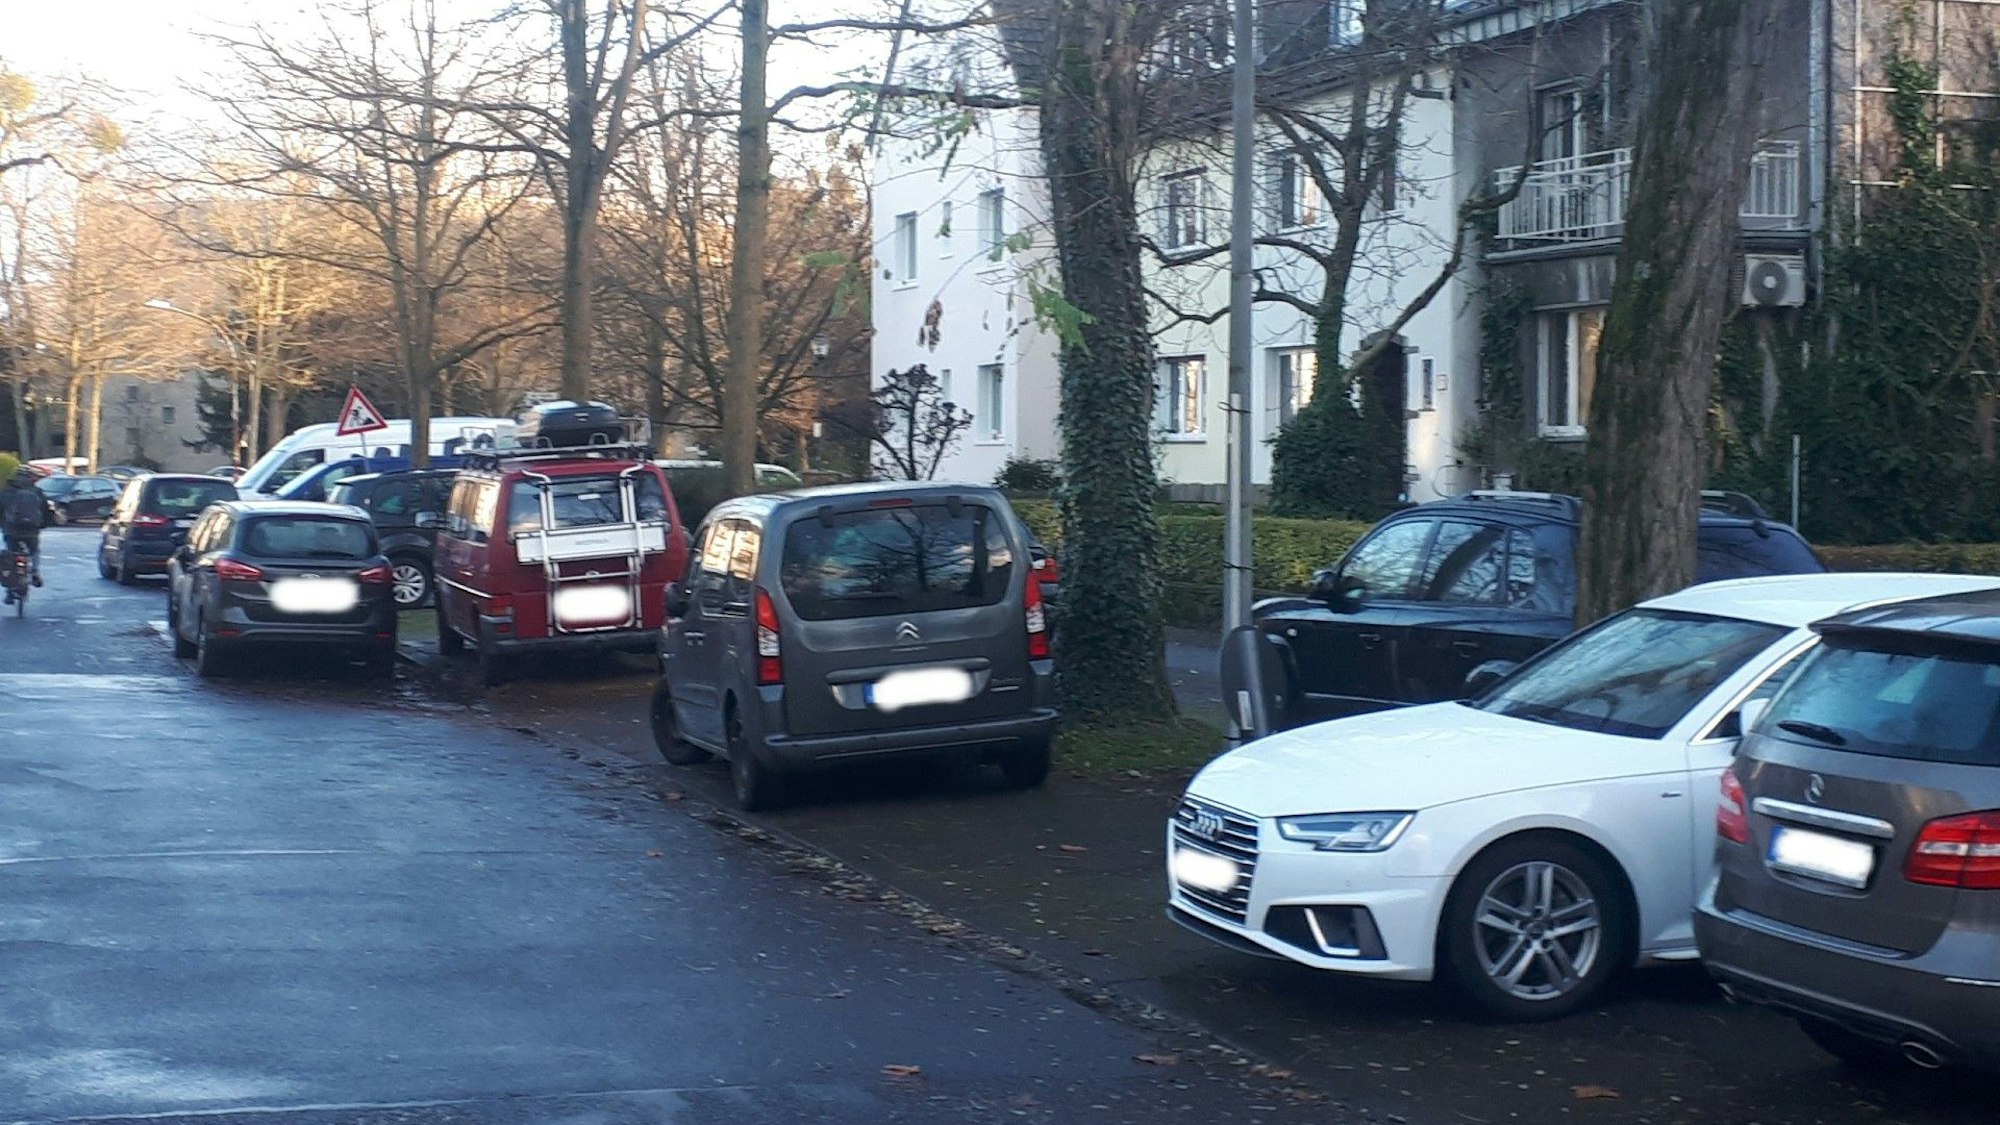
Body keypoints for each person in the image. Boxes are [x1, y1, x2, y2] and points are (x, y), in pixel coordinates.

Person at [2, 470, 45, 601]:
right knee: (34, 551)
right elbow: (45, 510)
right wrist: (45, 524)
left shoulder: (6, 492)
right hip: (32, 530)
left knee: (10, 556)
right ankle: (35, 572)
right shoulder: (36, 491)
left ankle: (10, 591)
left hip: (12, 530)